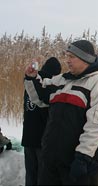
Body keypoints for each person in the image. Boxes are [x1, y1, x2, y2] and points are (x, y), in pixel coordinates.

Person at [24, 40, 98, 185]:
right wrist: (32, 77)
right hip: (50, 160)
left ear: (85, 58)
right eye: (67, 56)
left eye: (72, 56)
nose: (67, 60)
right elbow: (40, 96)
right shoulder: (62, 81)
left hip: (75, 162)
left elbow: (97, 127)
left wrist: (83, 157)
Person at [22, 57, 61, 185]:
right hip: (42, 139)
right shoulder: (49, 87)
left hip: (27, 136)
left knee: (31, 173)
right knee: (43, 176)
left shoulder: (31, 82)